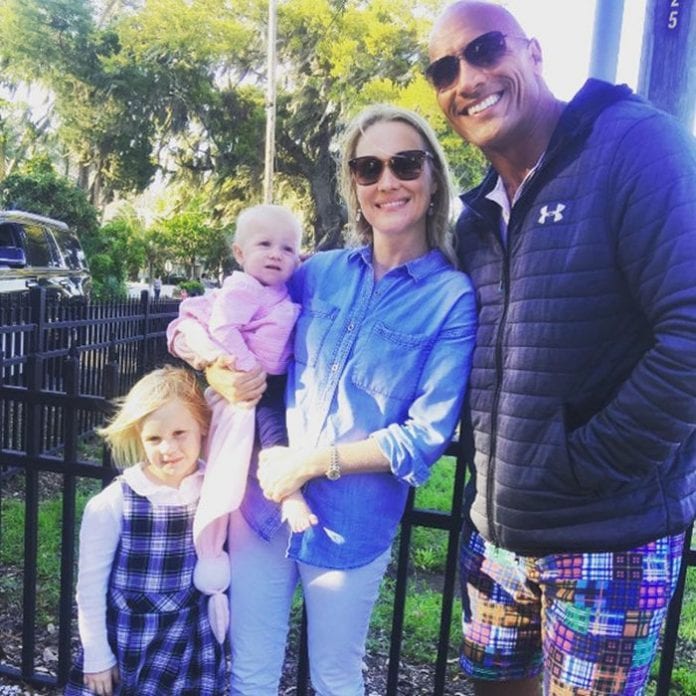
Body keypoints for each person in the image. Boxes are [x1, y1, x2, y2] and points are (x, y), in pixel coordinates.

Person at [426, 2, 696, 695]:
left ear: (535, 53)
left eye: (486, 49)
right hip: (498, 539)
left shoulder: (634, 144)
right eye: (444, 69)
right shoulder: (478, 216)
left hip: (609, 541)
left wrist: (588, 466)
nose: (467, 78)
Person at [175, 104, 477, 695]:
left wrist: (310, 465)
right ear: (354, 186)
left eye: (405, 164)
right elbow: (199, 317)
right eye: (368, 168)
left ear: (433, 177)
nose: (387, 181)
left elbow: (425, 435)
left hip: (350, 525)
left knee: (336, 678)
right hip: (261, 509)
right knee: (251, 672)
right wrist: (214, 367)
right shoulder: (316, 272)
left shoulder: (451, 298)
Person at [166, 204, 317, 641]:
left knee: (277, 435)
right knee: (274, 440)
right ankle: (289, 495)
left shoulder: (281, 288)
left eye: (287, 248)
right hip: (257, 382)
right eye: (264, 245)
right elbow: (221, 327)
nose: (276, 254)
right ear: (239, 252)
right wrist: (241, 369)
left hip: (275, 379)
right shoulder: (243, 287)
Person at [64, 366, 226, 696]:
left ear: (202, 427)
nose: (168, 448)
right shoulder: (114, 503)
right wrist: (97, 655)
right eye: (154, 438)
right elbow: (90, 588)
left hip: (191, 643)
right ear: (139, 437)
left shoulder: (215, 490)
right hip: (133, 644)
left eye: (179, 433)